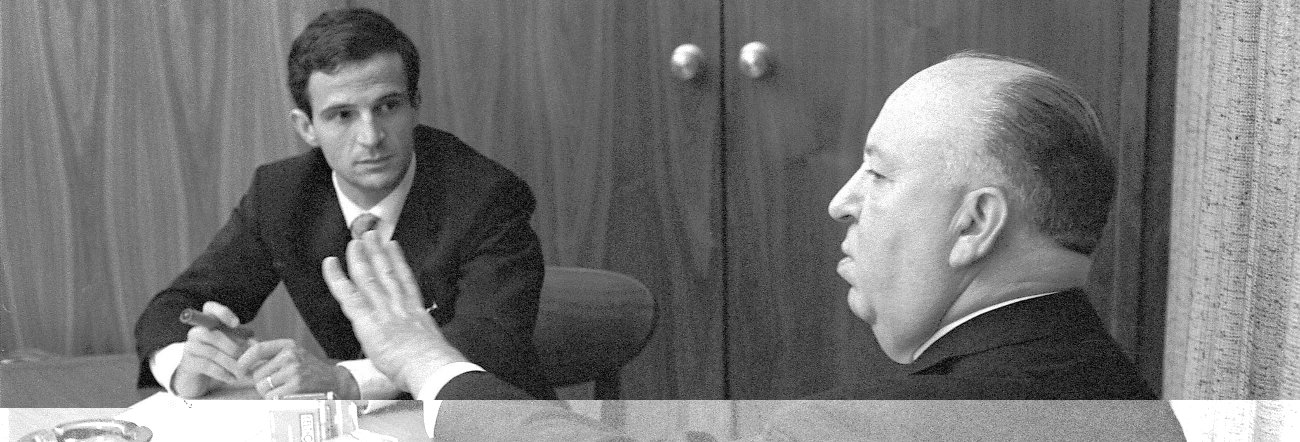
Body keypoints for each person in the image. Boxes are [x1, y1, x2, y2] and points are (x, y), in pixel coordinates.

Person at [321, 53, 1182, 440]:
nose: (842, 201)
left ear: (974, 225)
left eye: (880, 174)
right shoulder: (1144, 413)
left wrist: (425, 362)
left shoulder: (859, 430)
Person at [132, 7, 554, 401]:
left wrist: (347, 381)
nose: (371, 137)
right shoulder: (281, 195)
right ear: (307, 127)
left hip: (486, 415)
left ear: (415, 106)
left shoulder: (488, 197)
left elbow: (491, 343)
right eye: (342, 115)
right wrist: (187, 364)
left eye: (387, 106)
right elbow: (173, 308)